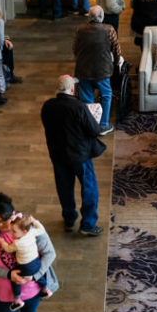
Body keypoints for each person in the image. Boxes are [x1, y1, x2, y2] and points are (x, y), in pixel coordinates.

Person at [41, 75, 106, 236]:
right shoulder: (78, 107)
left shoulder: (47, 106)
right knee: (89, 188)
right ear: (72, 89)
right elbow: (95, 130)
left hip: (57, 154)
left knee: (64, 188)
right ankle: (88, 224)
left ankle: (69, 219)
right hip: (80, 155)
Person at [73, 6, 121, 136]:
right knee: (106, 95)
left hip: (83, 69)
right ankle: (103, 125)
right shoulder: (109, 30)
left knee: (86, 98)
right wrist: (117, 61)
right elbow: (116, 49)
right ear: (102, 17)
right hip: (102, 70)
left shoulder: (80, 30)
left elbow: (75, 49)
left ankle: (89, 124)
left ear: (89, 17)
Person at [0, 212, 52, 309]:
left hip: (26, 267)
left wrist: (2, 242)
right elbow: (41, 229)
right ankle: (46, 289)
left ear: (24, 231)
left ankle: (17, 300)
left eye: (14, 231)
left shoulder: (17, 243)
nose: (12, 234)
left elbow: (8, 249)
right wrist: (34, 221)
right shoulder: (32, 232)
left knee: (15, 278)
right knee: (39, 275)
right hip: (37, 262)